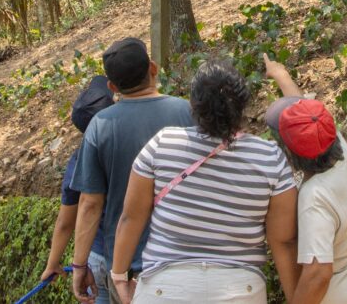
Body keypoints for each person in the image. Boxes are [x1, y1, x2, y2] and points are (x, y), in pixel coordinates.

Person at [110, 62, 299, 304]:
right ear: (243, 105)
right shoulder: (269, 157)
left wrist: (119, 276)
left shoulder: (162, 144)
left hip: (165, 289)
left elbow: (131, 218)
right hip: (241, 290)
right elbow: (283, 241)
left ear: (193, 105)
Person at [71, 38, 194, 304]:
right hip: (190, 259)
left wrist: (80, 265)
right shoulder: (189, 113)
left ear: (113, 87)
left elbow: (90, 204)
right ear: (153, 68)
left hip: (129, 271)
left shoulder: (100, 126)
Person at [263, 54, 347, 304]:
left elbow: (318, 274)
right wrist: (281, 75)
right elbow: (307, 115)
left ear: (290, 153)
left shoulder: (315, 197)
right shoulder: (340, 150)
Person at [40, 74, 115, 300]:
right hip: (134, 256)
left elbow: (65, 222)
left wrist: (53, 263)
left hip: (98, 257)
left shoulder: (77, 160)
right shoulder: (133, 150)